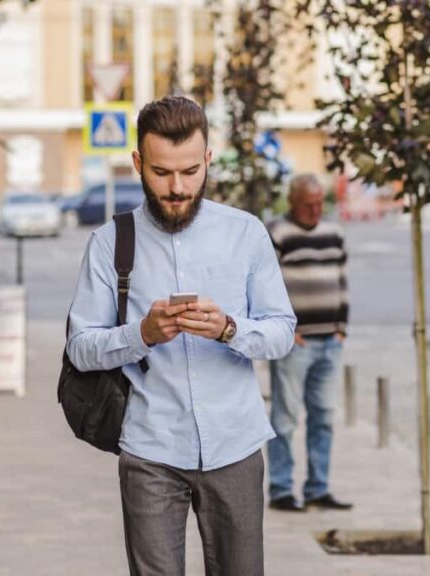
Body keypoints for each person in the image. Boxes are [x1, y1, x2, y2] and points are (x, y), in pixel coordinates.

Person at [66, 96, 296, 576]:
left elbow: (281, 334)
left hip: (234, 443)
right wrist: (140, 334)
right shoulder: (110, 243)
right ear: (138, 163)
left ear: (208, 159)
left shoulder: (246, 234)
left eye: (190, 172)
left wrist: (230, 329)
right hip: (151, 447)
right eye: (162, 172)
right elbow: (80, 348)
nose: (177, 188)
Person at [265, 174, 352, 513]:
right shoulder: (277, 233)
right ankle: (281, 488)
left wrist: (342, 326)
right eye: (308, 204)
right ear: (292, 201)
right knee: (285, 418)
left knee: (324, 418)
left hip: (330, 340)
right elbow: (265, 287)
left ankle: (319, 487)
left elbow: (342, 281)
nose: (315, 210)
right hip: (294, 343)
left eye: (319, 204)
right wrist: (285, 330)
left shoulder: (334, 233)